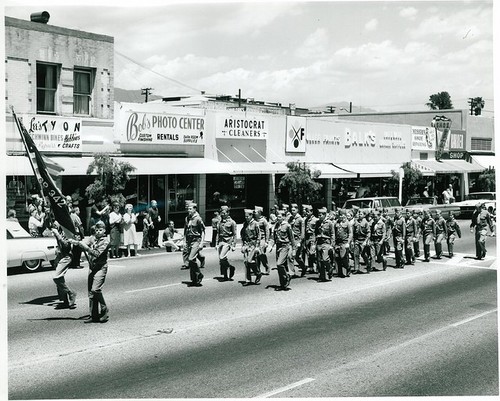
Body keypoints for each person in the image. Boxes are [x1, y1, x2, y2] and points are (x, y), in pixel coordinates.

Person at [71, 220, 110, 323]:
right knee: (91, 293)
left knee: (95, 289)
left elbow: (96, 253)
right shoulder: (93, 238)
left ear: (104, 231)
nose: (98, 232)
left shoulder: (105, 241)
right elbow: (84, 243)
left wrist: (86, 247)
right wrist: (77, 242)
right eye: (96, 230)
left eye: (100, 230)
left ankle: (104, 309)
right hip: (92, 268)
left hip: (101, 267)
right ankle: (93, 315)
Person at [51, 220, 77, 309]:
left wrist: (57, 234)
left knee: (56, 277)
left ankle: (70, 293)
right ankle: (65, 301)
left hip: (66, 257)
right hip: (59, 255)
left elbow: (66, 246)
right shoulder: (58, 230)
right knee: (60, 279)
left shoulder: (67, 232)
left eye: (56, 223)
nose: (54, 224)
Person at [269, 210, 293, 291]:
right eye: (277, 216)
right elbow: (273, 237)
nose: (278, 218)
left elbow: (291, 238)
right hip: (278, 247)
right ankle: (283, 284)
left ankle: (287, 276)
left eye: (279, 217)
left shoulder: (287, 226)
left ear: (283, 217)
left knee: (279, 264)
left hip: (285, 246)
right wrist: (271, 246)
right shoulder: (276, 225)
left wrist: (293, 249)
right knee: (281, 266)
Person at [184, 203, 205, 286]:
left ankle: (199, 274)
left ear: (194, 209)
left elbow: (203, 231)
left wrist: (201, 243)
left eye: (190, 209)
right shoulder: (187, 218)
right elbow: (185, 230)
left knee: (191, 258)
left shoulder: (198, 219)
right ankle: (194, 279)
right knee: (192, 261)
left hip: (196, 240)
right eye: (188, 209)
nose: (188, 210)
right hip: (189, 240)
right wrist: (184, 242)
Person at [240, 208, 262, 285]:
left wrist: (257, 246)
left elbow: (259, 235)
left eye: (247, 216)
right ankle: (247, 280)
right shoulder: (245, 224)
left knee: (250, 261)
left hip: (253, 245)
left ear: (251, 216)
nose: (246, 218)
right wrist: (242, 245)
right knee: (246, 262)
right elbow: (243, 234)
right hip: (246, 245)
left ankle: (258, 273)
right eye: (245, 217)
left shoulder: (256, 224)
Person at [216, 206, 237, 281]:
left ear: (228, 213)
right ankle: (225, 275)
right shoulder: (219, 221)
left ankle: (230, 267)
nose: (223, 214)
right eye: (221, 212)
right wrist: (216, 243)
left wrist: (234, 245)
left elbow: (234, 234)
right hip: (221, 241)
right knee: (221, 260)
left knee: (222, 257)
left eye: (224, 212)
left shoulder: (232, 222)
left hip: (228, 241)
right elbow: (218, 233)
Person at [316, 207, 336, 281]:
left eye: (320, 215)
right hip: (319, 242)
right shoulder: (317, 223)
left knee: (325, 259)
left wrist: (332, 244)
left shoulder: (329, 223)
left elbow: (332, 234)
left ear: (324, 215)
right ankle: (322, 276)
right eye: (318, 215)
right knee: (319, 261)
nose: (319, 216)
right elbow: (315, 233)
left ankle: (329, 268)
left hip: (326, 242)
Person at [334, 210, 353, 278]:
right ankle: (340, 272)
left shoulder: (347, 223)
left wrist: (348, 242)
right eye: (340, 215)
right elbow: (334, 233)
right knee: (337, 258)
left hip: (344, 242)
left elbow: (350, 233)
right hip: (337, 243)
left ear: (344, 215)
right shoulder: (336, 223)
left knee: (343, 257)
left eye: (342, 215)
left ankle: (347, 268)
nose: (341, 216)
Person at [352, 210, 372, 274]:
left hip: (363, 240)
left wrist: (366, 241)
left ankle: (368, 264)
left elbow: (368, 233)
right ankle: (356, 268)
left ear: (364, 215)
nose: (359, 215)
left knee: (364, 255)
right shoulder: (356, 222)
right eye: (359, 214)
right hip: (357, 240)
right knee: (356, 254)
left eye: (361, 214)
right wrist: (353, 241)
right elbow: (353, 232)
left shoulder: (366, 223)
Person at [289, 203, 306, 277]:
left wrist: (300, 241)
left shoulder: (300, 219)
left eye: (294, 210)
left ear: (297, 210)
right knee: (290, 256)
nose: (292, 211)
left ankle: (303, 267)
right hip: (290, 240)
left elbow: (302, 232)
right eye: (291, 210)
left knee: (297, 257)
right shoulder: (290, 218)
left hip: (297, 240)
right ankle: (292, 273)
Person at [254, 206, 271, 275]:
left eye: (255, 212)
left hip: (262, 239)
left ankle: (266, 266)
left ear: (259, 212)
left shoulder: (263, 220)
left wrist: (267, 241)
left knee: (261, 253)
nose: (254, 213)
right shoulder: (254, 220)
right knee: (256, 254)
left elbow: (267, 231)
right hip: (256, 239)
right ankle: (258, 269)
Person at [303, 204, 318, 274]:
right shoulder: (306, 220)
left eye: (308, 211)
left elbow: (317, 230)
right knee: (308, 253)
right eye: (306, 211)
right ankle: (311, 267)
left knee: (313, 253)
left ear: (311, 212)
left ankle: (318, 265)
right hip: (307, 238)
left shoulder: (315, 220)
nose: (307, 213)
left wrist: (316, 239)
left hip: (313, 237)